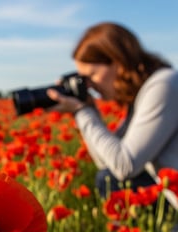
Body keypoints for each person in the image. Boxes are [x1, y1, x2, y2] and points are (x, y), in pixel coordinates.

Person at [47, 22, 178, 205]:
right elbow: (106, 163)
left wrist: (82, 111)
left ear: (118, 61)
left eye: (90, 76)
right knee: (107, 178)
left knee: (111, 180)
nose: (89, 86)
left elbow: (124, 166)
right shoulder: (143, 93)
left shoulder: (164, 85)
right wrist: (87, 109)